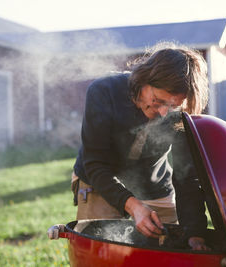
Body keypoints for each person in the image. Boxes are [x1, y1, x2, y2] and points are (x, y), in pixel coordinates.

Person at [47, 43, 210, 250]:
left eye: (172, 106)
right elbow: (95, 164)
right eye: (158, 101)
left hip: (156, 187)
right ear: (144, 80)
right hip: (99, 182)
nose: (163, 113)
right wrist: (133, 206)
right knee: (105, 252)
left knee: (169, 250)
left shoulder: (180, 113)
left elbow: (187, 177)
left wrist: (195, 235)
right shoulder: (104, 92)